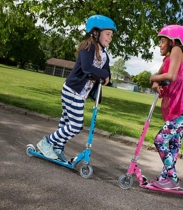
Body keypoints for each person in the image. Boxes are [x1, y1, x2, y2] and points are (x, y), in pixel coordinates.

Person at [37, 14, 117, 162]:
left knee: (65, 123)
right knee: (75, 125)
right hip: (72, 90)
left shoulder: (104, 55)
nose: (110, 38)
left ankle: (57, 148)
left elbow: (107, 77)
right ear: (95, 32)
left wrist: (103, 75)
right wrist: (102, 74)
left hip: (81, 94)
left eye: (111, 35)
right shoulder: (88, 46)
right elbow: (87, 68)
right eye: (107, 34)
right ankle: (46, 142)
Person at [149, 25, 183, 189]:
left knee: (160, 140)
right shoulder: (167, 59)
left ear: (172, 41)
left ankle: (173, 178)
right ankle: (166, 178)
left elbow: (169, 76)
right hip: (181, 109)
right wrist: (155, 81)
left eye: (162, 41)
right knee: (174, 145)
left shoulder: (177, 50)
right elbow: (159, 77)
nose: (160, 45)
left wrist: (152, 78)